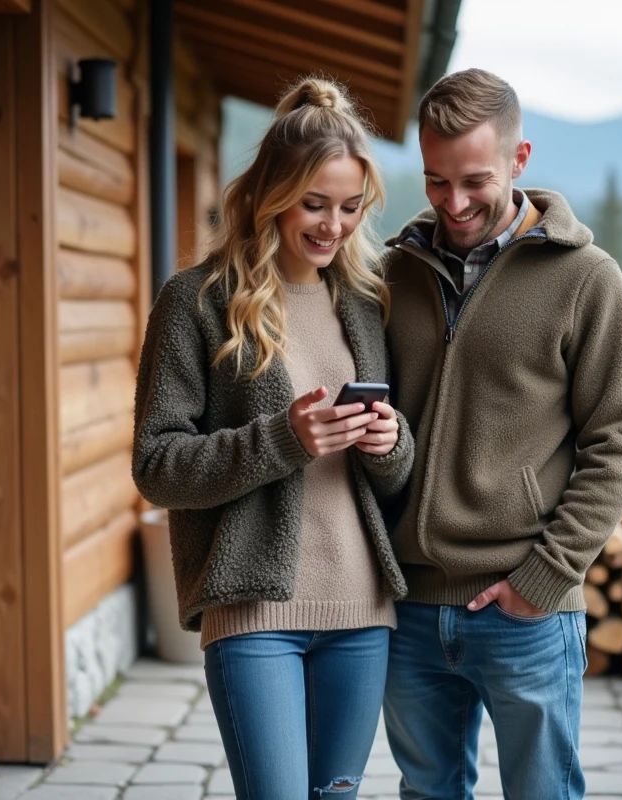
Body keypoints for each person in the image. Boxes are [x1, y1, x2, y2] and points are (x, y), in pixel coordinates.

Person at [132, 76, 412, 800]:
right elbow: (157, 465)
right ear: (268, 195)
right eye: (314, 204)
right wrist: (282, 438)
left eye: (351, 207)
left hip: (362, 608)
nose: (333, 226)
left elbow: (389, 471)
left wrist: (389, 445)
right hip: (253, 610)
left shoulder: (365, 301)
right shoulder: (196, 301)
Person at [380, 68, 622, 799]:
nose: (454, 203)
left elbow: (619, 444)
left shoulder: (586, 279)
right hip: (408, 607)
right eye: (436, 181)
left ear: (519, 160)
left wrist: (543, 580)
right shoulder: (393, 275)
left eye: (475, 180)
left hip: (525, 609)